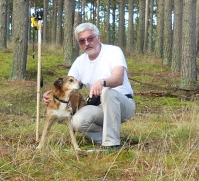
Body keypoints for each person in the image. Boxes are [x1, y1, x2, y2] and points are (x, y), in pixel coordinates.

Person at [43, 22, 136, 150]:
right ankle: (110, 139)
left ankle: (112, 144)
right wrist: (51, 95)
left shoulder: (113, 51)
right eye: (82, 41)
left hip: (123, 104)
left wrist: (102, 82)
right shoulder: (80, 62)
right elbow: (66, 86)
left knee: (107, 92)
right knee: (77, 121)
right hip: (98, 107)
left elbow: (119, 78)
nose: (87, 43)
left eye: (90, 38)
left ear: (98, 38)